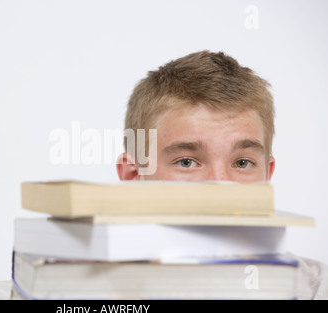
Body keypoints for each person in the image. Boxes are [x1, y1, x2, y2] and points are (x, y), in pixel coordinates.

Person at [116, 50, 328, 300]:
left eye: (242, 163)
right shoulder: (80, 286)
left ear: (266, 176)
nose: (221, 185)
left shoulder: (315, 290)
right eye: (187, 162)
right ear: (133, 176)